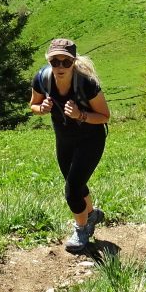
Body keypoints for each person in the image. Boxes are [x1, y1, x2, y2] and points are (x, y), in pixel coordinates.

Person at [29, 38, 111, 252]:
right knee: (76, 182)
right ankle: (91, 215)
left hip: (90, 139)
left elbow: (104, 116)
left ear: (73, 62)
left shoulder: (87, 83)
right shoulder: (42, 78)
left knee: (72, 189)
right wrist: (42, 109)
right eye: (55, 61)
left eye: (66, 62)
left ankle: (81, 229)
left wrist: (80, 114)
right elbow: (33, 105)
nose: (60, 66)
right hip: (64, 139)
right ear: (49, 61)